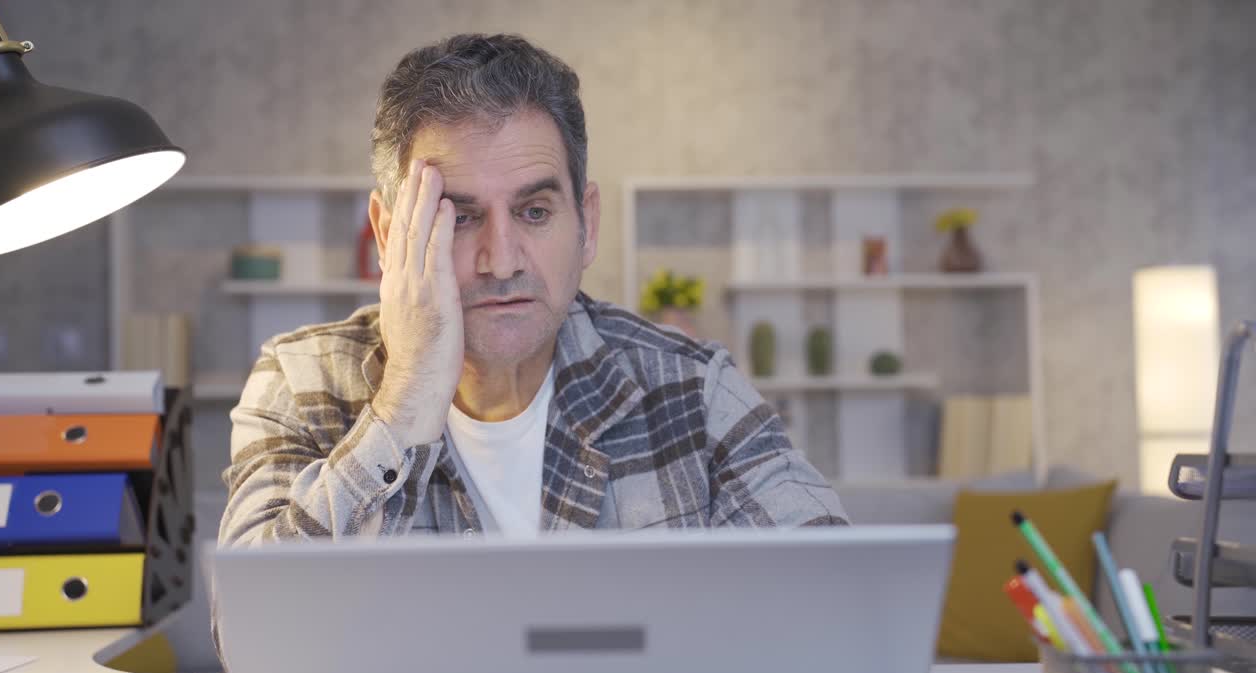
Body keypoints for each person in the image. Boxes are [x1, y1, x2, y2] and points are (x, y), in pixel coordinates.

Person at [217, 33, 848, 548]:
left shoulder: (692, 390)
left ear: (587, 224)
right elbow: (250, 630)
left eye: (536, 212)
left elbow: (843, 607)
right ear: (391, 234)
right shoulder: (300, 382)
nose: (500, 259)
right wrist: (406, 397)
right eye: (459, 217)